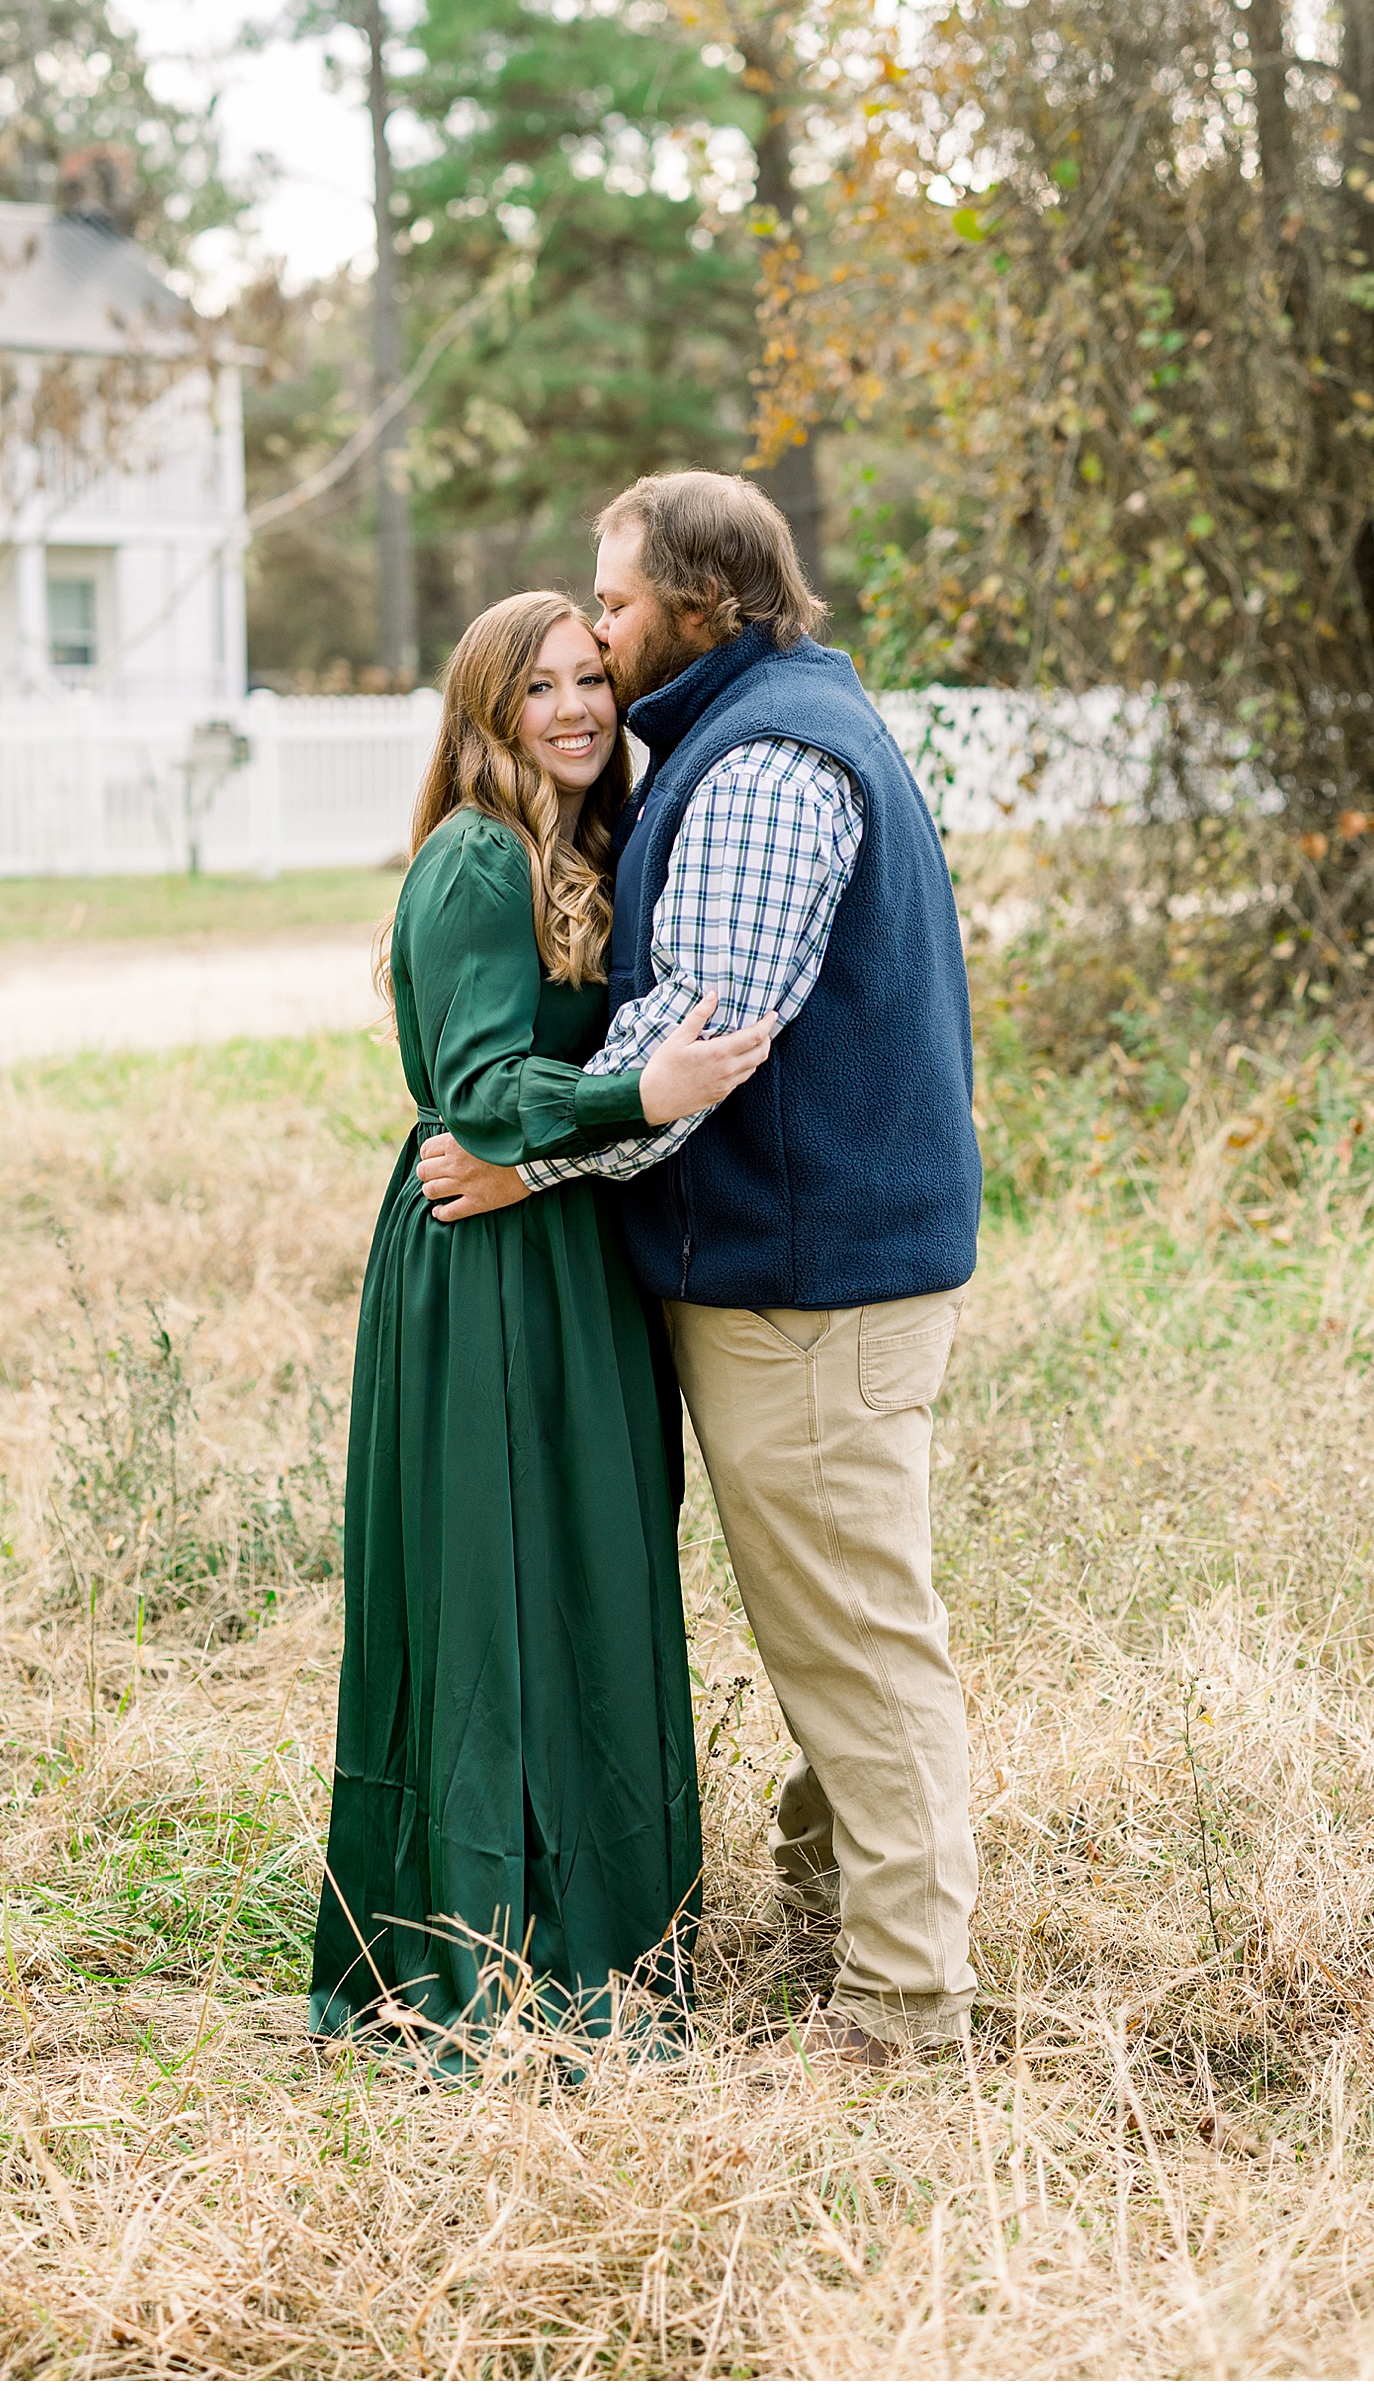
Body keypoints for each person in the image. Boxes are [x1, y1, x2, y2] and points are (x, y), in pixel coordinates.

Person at [418, 474, 985, 2067]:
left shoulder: (764, 765)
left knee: (859, 1641)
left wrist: (535, 1151)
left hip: (807, 1287)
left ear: (697, 604)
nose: (593, 633)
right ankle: (835, 1925)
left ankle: (901, 2010)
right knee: (839, 1620)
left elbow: (700, 1040)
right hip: (809, 1271)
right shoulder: (785, 715)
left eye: (611, 603)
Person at [309, 590, 774, 2053]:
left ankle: (605, 1935)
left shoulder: (585, 849)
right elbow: (480, 1096)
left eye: (593, 679)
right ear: (485, 710)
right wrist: (643, 1094)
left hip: (571, 1250)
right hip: (482, 1264)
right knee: (487, 1594)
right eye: (542, 688)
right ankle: (476, 1949)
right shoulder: (469, 861)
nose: (578, 708)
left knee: (587, 1578)